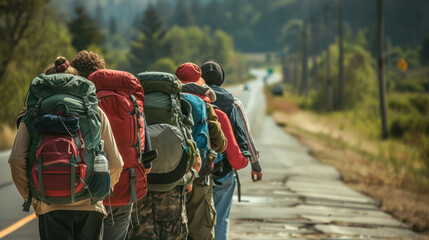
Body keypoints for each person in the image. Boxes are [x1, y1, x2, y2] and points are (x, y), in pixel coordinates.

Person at [9, 56, 124, 240]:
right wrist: (99, 193)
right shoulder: (94, 112)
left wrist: (33, 198)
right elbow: (117, 163)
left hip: (49, 204)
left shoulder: (33, 113)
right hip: (89, 204)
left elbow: (15, 160)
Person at [72, 50, 152, 240]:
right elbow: (147, 163)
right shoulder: (131, 100)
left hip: (86, 191)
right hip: (123, 189)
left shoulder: (77, 103)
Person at [201, 60, 263, 240]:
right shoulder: (232, 101)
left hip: (195, 171)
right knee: (220, 220)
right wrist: (255, 164)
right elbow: (245, 136)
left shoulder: (191, 99)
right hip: (223, 170)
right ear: (221, 79)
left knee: (194, 219)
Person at [176, 62, 227, 240]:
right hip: (199, 175)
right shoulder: (206, 106)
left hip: (171, 175)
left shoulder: (169, 102)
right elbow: (221, 145)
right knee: (200, 229)